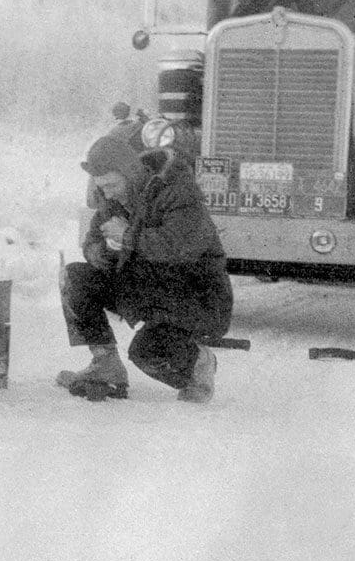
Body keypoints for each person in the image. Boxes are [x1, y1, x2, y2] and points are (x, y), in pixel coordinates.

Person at [57, 135, 233, 403]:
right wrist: (102, 252)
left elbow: (181, 247)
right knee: (75, 277)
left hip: (191, 297)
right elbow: (92, 241)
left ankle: (199, 364)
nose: (107, 193)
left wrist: (127, 236)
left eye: (112, 185)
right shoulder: (113, 198)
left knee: (148, 353)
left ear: (130, 173)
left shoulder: (176, 190)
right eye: (101, 187)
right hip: (146, 288)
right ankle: (106, 365)